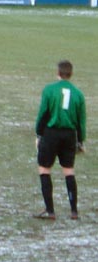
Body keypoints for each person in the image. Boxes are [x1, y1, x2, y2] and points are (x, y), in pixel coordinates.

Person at [34, 60, 86, 221]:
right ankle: (74, 211)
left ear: (58, 72)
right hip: (69, 135)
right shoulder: (78, 94)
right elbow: (81, 120)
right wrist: (81, 140)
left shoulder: (49, 90)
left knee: (44, 169)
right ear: (71, 74)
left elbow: (43, 113)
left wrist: (39, 134)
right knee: (68, 170)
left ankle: (50, 211)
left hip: (51, 134)